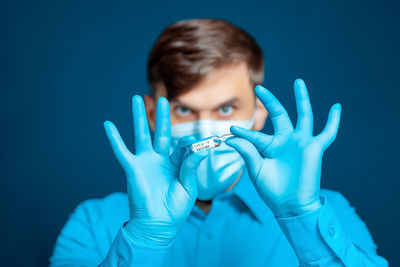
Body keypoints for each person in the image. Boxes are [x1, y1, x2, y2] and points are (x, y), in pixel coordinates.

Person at [50, 19, 388, 266]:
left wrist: (301, 216)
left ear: (258, 114)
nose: (206, 129)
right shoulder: (95, 221)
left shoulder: (329, 211)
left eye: (226, 108)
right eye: (184, 109)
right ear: (153, 114)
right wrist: (144, 238)